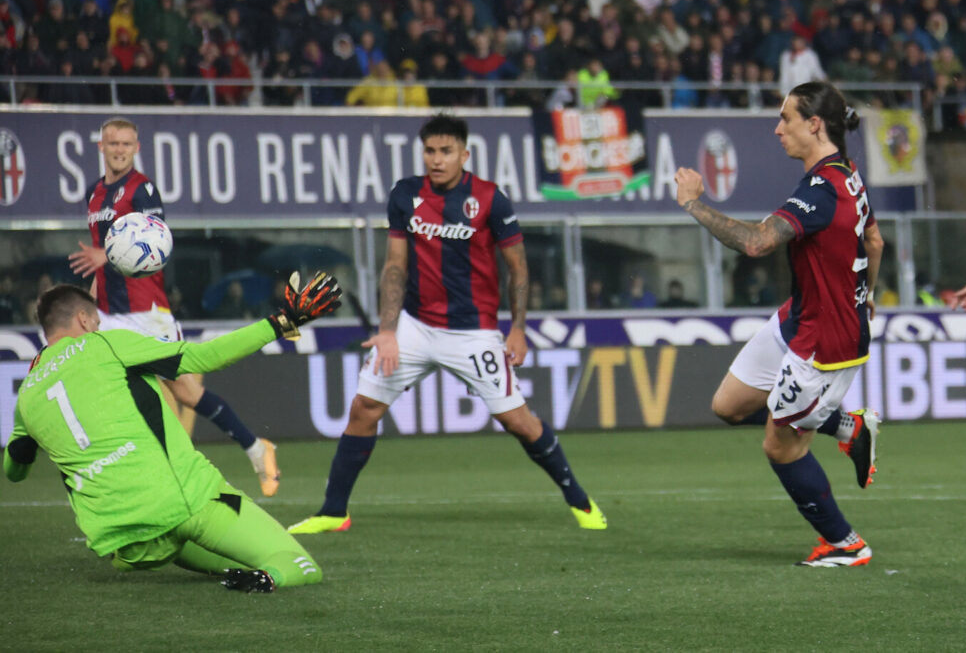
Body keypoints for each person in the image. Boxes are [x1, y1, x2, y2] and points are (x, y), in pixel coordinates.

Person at [288, 114, 606, 535]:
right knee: (363, 409)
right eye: (430, 151)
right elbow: (395, 266)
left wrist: (517, 328)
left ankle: (579, 501)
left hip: (473, 332)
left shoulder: (490, 199)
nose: (437, 160)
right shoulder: (406, 194)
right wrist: (387, 331)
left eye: (446, 151)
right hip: (415, 327)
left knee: (520, 423)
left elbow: (519, 270)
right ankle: (334, 512)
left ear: (464, 154)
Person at [3, 276, 341, 591]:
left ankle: (238, 570)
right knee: (300, 565)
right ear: (84, 319)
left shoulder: (27, 395)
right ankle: (267, 579)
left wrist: (28, 443)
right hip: (187, 504)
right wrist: (285, 320)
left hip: (127, 543)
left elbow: (14, 470)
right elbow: (204, 356)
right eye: (97, 322)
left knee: (225, 562)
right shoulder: (106, 343)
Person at [673, 81, 884, 567]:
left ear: (814, 124)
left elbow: (757, 243)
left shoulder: (823, 188)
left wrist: (693, 204)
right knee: (727, 405)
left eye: (785, 118)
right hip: (798, 318)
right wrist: (867, 293)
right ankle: (848, 427)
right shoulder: (846, 174)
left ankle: (844, 544)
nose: (777, 128)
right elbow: (873, 241)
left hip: (824, 341)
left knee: (780, 445)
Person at [67, 118, 281, 497]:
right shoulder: (94, 193)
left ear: (136, 147)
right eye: (112, 143)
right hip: (110, 313)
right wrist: (91, 302)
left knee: (184, 392)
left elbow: (157, 246)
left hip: (147, 310)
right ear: (101, 146)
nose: (119, 150)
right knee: (105, 387)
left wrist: (108, 255)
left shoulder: (143, 189)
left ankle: (254, 447)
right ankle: (124, 481)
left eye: (126, 144)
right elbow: (99, 259)